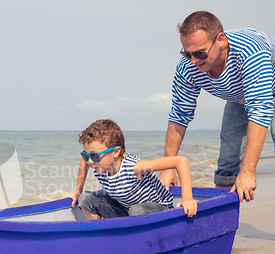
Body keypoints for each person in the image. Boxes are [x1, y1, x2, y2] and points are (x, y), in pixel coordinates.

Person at [159, 11, 275, 203]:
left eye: (199, 53)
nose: (194, 61)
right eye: (187, 53)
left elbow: (260, 111)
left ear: (220, 40)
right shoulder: (187, 67)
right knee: (228, 162)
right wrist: (167, 167)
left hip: (265, 87)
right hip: (243, 97)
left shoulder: (251, 52)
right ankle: (221, 222)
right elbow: (179, 116)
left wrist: (247, 172)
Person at [63, 119, 197, 219]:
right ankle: (105, 233)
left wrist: (187, 198)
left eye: (94, 155)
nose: (90, 161)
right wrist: (77, 190)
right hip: (126, 208)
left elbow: (180, 161)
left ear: (115, 152)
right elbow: (83, 162)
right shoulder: (97, 165)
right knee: (85, 199)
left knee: (137, 210)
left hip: (157, 209)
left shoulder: (135, 167)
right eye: (86, 155)